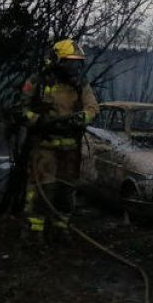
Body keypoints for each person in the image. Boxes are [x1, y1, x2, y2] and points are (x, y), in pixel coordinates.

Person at [20, 38, 98, 235]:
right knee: (41, 189)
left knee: (66, 190)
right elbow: (20, 109)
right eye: (70, 62)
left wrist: (81, 118)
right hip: (44, 145)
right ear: (57, 60)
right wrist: (38, 121)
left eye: (78, 63)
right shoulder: (37, 82)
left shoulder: (80, 85)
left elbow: (92, 108)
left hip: (70, 148)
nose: (75, 67)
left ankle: (61, 229)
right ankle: (34, 228)